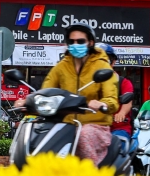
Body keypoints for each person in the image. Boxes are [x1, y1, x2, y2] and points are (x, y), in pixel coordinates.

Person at [17, 23, 119, 164]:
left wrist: (102, 103)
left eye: (80, 41)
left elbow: (112, 100)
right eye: (71, 41)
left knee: (83, 135)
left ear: (90, 42)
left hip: (95, 125)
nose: (75, 44)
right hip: (65, 125)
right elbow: (45, 91)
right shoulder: (62, 66)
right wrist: (27, 101)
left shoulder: (102, 66)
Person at [99, 44, 134, 142]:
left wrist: (122, 113)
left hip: (118, 128)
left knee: (116, 145)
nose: (101, 63)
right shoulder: (89, 83)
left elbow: (128, 101)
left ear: (113, 62)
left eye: (106, 59)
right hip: (94, 126)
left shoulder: (123, 82)